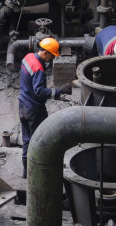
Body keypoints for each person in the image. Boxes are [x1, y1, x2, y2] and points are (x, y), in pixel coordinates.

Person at [18, 37, 72, 178]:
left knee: (27, 140)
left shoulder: (28, 58)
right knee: (39, 141)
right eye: (52, 56)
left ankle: (25, 172)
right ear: (46, 52)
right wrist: (59, 91)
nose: (52, 59)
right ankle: (38, 173)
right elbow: (39, 92)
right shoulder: (39, 68)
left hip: (22, 105)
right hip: (34, 110)